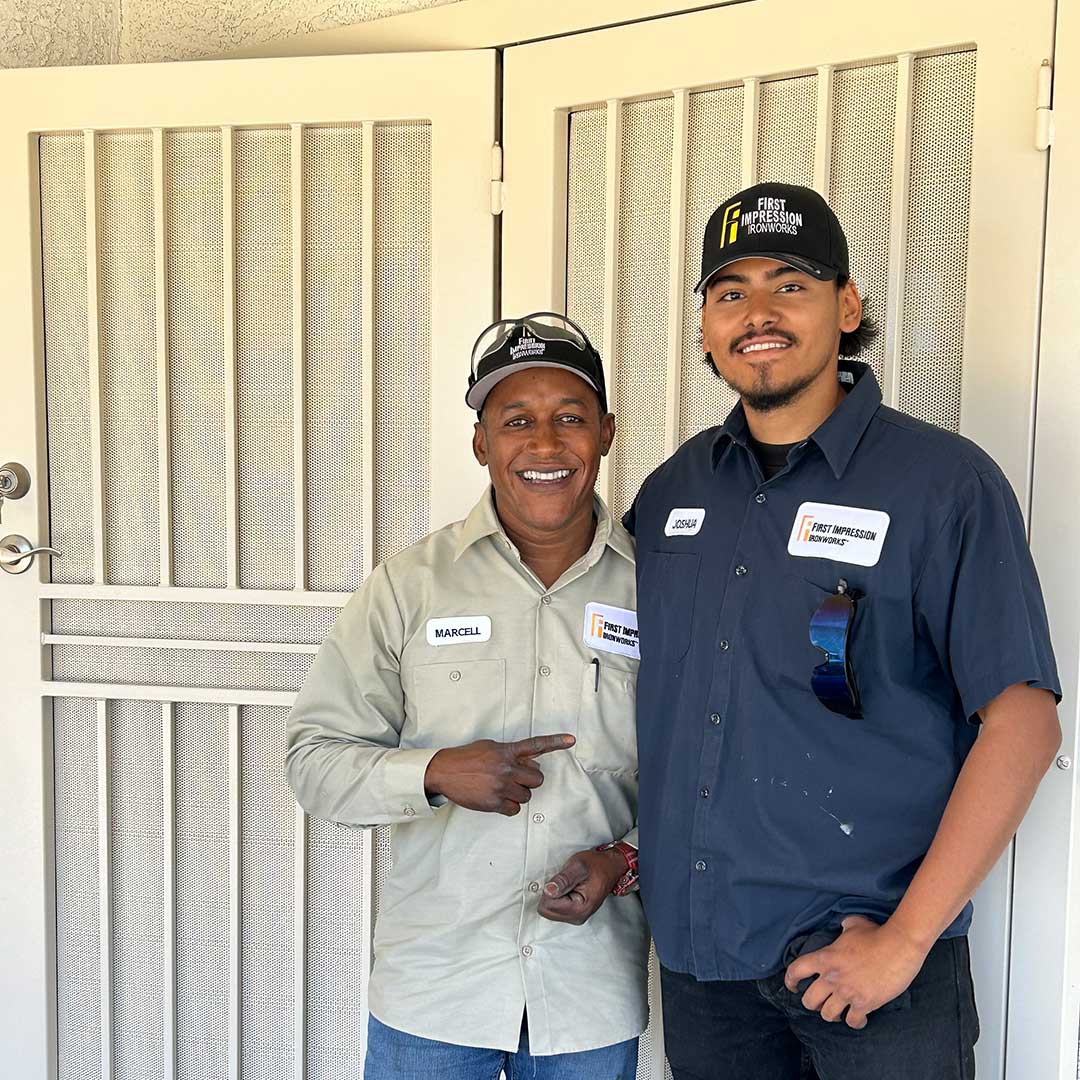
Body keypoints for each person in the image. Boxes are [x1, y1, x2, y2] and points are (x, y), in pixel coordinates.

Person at [623, 182, 1061, 1080]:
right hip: (708, 969)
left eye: (791, 283)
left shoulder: (942, 486)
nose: (759, 313)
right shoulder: (671, 496)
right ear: (706, 325)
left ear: (847, 306)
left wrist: (905, 941)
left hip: (875, 974)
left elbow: (1023, 722)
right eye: (730, 290)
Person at [286, 312, 648, 1080]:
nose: (544, 444)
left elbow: (706, 774)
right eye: (516, 420)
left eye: (570, 418)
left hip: (588, 993)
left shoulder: (664, 592)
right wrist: (434, 773)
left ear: (607, 433)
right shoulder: (408, 588)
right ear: (482, 442)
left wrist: (627, 857)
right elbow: (313, 762)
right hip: (435, 992)